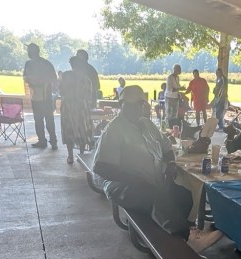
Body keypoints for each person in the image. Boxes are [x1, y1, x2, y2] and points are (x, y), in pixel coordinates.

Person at [92, 84, 217, 246]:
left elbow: (166, 146)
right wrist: (134, 179)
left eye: (139, 104)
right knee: (155, 196)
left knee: (183, 194)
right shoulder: (114, 129)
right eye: (130, 105)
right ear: (122, 105)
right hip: (122, 185)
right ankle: (187, 238)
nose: (136, 108)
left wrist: (171, 163)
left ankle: (181, 234)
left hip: (153, 180)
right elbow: (101, 168)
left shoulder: (147, 124)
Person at [23, 42, 58, 150]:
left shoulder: (44, 64)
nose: (29, 53)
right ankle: (43, 140)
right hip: (36, 96)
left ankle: (52, 141)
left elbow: (53, 79)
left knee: (48, 120)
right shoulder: (29, 64)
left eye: (30, 51)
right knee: (39, 120)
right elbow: (25, 76)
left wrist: (39, 81)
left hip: (46, 96)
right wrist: (31, 80)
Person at [60, 56, 93, 164]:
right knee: (82, 130)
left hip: (68, 107)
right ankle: (81, 155)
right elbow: (89, 95)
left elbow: (61, 90)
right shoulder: (86, 79)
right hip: (82, 108)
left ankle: (70, 156)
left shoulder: (66, 76)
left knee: (68, 130)